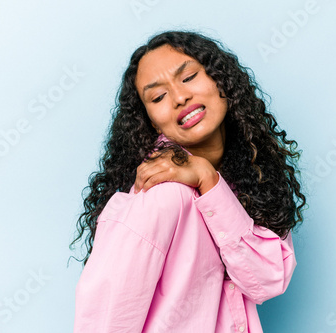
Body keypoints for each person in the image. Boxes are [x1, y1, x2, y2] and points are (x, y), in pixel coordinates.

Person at [70, 30, 306, 332]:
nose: (180, 97)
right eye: (158, 96)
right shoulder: (162, 196)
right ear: (151, 120)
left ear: (221, 79)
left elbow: (268, 280)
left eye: (189, 77)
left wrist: (209, 179)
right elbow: (103, 320)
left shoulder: (248, 174)